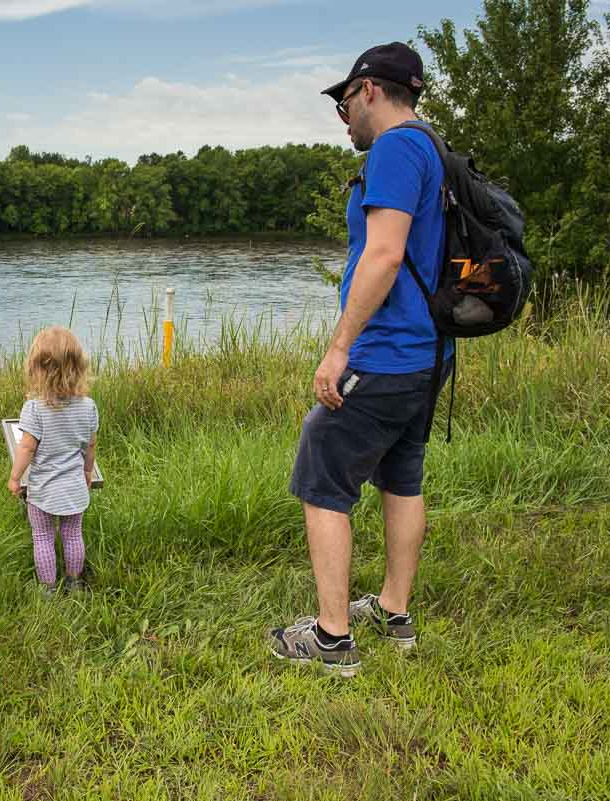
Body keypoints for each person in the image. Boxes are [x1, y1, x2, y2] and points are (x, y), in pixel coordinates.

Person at [270, 42, 452, 677]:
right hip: (430, 354)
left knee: (323, 470)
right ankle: (394, 612)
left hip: (386, 352)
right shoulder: (432, 146)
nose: (342, 116)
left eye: (344, 102)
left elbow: (384, 255)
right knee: (402, 476)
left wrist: (339, 347)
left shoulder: (397, 149)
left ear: (370, 89)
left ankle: (331, 637)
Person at [7, 326, 98, 596]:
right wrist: (87, 471)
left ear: (37, 369)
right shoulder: (88, 406)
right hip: (74, 488)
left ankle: (47, 589)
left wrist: (14, 478)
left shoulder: (35, 409)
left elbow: (26, 448)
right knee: (73, 535)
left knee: (43, 538)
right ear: (77, 367)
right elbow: (90, 444)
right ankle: (74, 582)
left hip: (43, 491)